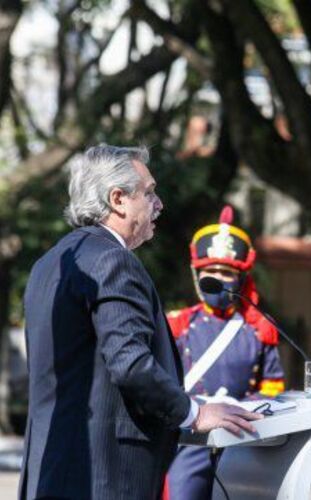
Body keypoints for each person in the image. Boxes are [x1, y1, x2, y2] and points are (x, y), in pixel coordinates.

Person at [19, 145, 262, 500]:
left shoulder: (48, 263)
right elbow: (131, 364)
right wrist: (194, 413)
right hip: (104, 474)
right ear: (117, 199)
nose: (158, 203)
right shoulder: (112, 261)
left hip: (50, 466)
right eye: (148, 193)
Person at [165, 206, 285, 499]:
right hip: (190, 440)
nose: (218, 278)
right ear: (198, 275)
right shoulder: (176, 324)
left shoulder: (259, 328)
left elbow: (272, 387)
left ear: (241, 278)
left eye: (227, 272)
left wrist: (240, 409)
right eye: (211, 272)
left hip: (242, 440)